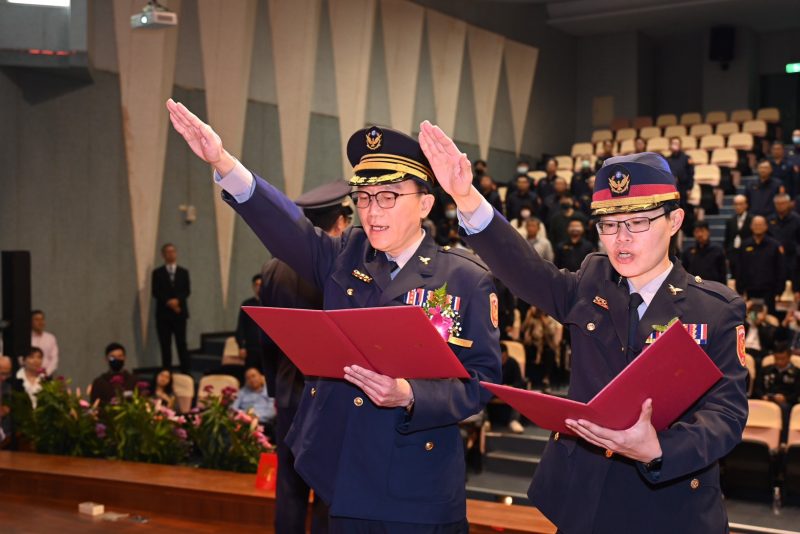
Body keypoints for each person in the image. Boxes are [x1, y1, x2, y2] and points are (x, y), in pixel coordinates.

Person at [167, 100, 501, 532]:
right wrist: (223, 163)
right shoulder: (346, 254)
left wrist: (410, 394)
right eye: (363, 197)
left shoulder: (464, 278)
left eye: (388, 197)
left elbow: (482, 383)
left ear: (425, 204)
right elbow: (287, 229)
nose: (372, 211)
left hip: (419, 486)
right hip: (345, 476)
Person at [419, 120, 748, 533]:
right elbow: (525, 270)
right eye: (609, 224)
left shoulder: (715, 309)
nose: (620, 239)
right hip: (586, 505)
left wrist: (659, 448)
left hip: (669, 507)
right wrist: (466, 197)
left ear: (675, 220)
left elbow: (726, 414)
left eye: (637, 222)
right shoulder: (591, 283)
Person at [259, 179, 352, 534]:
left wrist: (275, 388)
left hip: (289, 393)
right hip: (330, 392)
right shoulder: (341, 266)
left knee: (289, 487)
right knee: (329, 489)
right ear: (340, 223)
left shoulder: (273, 267)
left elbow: (266, 337)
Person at [151, 243, 191, 373]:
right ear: (163, 255)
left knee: (181, 343)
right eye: (168, 252)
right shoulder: (157, 273)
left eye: (173, 251)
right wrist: (169, 302)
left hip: (180, 313)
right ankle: (166, 372)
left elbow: (186, 291)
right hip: (163, 315)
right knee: (165, 344)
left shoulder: (183, 272)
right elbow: (156, 292)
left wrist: (177, 300)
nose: (171, 254)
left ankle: (185, 372)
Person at [736, 216, 785, 317]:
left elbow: (780, 269)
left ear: (766, 227)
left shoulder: (774, 245)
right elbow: (739, 267)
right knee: (751, 319)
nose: (758, 227)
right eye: (755, 224)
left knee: (768, 320)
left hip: (769, 292)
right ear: (751, 226)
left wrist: (779, 290)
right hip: (750, 291)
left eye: (760, 224)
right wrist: (740, 288)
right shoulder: (744, 245)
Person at [754, 341, 799, 440]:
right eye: (776, 358)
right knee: (753, 406)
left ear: (789, 357)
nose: (779, 362)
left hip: (786, 402)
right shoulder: (766, 370)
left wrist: (786, 398)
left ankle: (783, 440)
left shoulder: (796, 373)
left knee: (784, 408)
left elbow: (797, 393)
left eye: (782, 359)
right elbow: (757, 388)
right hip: (766, 399)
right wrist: (762, 396)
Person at [486, 344, 525, 434]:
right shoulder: (491, 363)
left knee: (519, 394)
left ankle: (514, 420)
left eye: (503, 357)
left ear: (507, 355)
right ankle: (485, 420)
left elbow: (520, 382)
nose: (501, 360)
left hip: (508, 392)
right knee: (481, 392)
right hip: (493, 392)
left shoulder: (513, 363)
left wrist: (511, 387)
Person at [767, 193, 800, 294]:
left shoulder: (797, 219)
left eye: (783, 203)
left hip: (793, 257)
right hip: (774, 258)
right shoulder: (770, 219)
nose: (780, 206)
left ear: (789, 204)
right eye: (778, 203)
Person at [236, 274, 266, 377]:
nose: (259, 287)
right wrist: (241, 346)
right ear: (253, 287)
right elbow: (241, 326)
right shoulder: (247, 304)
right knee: (250, 375)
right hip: (251, 348)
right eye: (256, 285)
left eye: (261, 285)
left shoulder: (272, 303)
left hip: (267, 348)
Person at [665, 137, 695, 233]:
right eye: (673, 143)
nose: (674, 145)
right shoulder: (667, 160)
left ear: (680, 145)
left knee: (682, 211)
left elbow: (691, 174)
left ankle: (684, 231)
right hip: (671, 190)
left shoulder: (686, 158)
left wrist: (690, 188)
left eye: (676, 143)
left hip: (683, 189)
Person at [724, 194, 753, 277]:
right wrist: (727, 256)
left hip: (748, 255)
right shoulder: (730, 221)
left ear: (746, 205)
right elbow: (727, 240)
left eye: (740, 204)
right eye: (736, 204)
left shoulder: (752, 219)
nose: (738, 207)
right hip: (734, 256)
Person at [30, 310, 59, 377]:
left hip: (47, 375)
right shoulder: (26, 338)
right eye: (36, 320)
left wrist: (46, 373)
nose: (40, 322)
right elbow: (22, 358)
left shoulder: (50, 338)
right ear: (30, 322)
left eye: (42, 319)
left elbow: (54, 358)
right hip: (29, 375)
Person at [0, 356, 12, 445]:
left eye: (7, 374)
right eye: (1, 373)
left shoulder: (8, 388)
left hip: (5, 437)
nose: (3, 378)